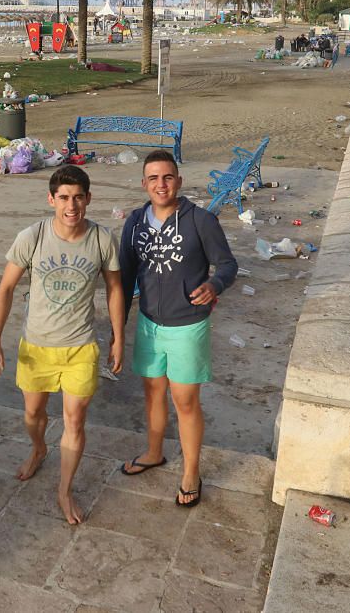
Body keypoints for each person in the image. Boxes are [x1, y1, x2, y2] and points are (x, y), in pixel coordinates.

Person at [0, 165, 125, 525]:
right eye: (63, 197)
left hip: (81, 347)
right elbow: (6, 289)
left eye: (78, 197)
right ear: (51, 199)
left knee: (74, 420)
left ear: (89, 199)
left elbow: (114, 289)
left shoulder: (101, 239)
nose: (71, 205)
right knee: (33, 415)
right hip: (37, 346)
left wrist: (118, 337)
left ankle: (64, 490)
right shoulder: (31, 237)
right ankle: (39, 448)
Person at [118, 150, 237, 508]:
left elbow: (228, 264)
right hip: (149, 324)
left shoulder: (200, 220)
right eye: (153, 178)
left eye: (167, 177)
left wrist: (215, 286)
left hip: (188, 325)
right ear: (144, 184)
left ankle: (191, 471)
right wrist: (118, 327)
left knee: (184, 401)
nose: (161, 184)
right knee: (152, 393)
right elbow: (124, 278)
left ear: (179, 182)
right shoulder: (135, 223)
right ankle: (154, 452)